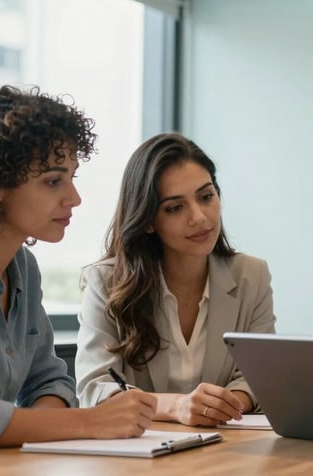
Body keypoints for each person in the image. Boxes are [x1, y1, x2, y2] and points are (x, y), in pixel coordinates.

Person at [0, 85, 157, 450]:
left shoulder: (24, 266)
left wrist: (59, 423)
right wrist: (88, 421)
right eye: (53, 181)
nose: (74, 198)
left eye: (72, 177)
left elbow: (47, 381)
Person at [75, 132, 276, 426]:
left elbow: (261, 373)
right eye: (175, 208)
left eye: (206, 197)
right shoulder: (106, 281)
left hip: (224, 447)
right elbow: (94, 389)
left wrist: (224, 405)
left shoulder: (252, 274)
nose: (199, 217)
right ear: (147, 221)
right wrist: (175, 406)